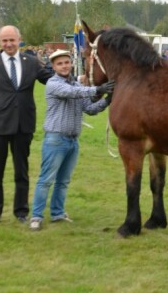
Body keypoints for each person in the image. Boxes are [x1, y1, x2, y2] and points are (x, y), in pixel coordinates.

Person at [0, 25, 54, 227]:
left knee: (22, 171)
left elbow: (51, 80)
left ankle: (21, 211)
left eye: (12, 39)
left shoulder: (32, 62)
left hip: (23, 125)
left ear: (20, 39)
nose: (9, 44)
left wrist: (72, 77)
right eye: (4, 40)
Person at [28, 50, 114, 231]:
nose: (65, 66)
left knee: (63, 181)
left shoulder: (75, 84)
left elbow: (89, 109)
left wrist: (108, 100)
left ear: (71, 64)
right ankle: (36, 216)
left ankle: (58, 213)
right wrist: (98, 89)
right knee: (46, 180)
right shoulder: (53, 83)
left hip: (73, 141)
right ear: (53, 67)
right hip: (55, 140)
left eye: (67, 62)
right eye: (60, 64)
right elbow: (73, 92)